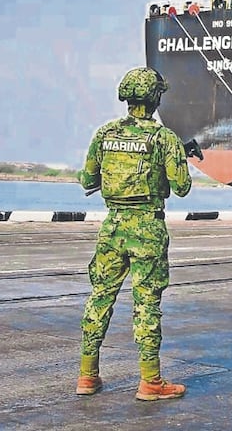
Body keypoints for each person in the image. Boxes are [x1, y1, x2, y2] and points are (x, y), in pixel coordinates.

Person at [76, 67, 192, 401]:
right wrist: (178, 160)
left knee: (100, 296)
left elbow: (87, 181)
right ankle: (151, 382)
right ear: (156, 98)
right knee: (146, 303)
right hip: (147, 229)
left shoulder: (104, 133)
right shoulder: (164, 138)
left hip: (112, 227)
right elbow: (182, 187)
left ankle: (87, 376)